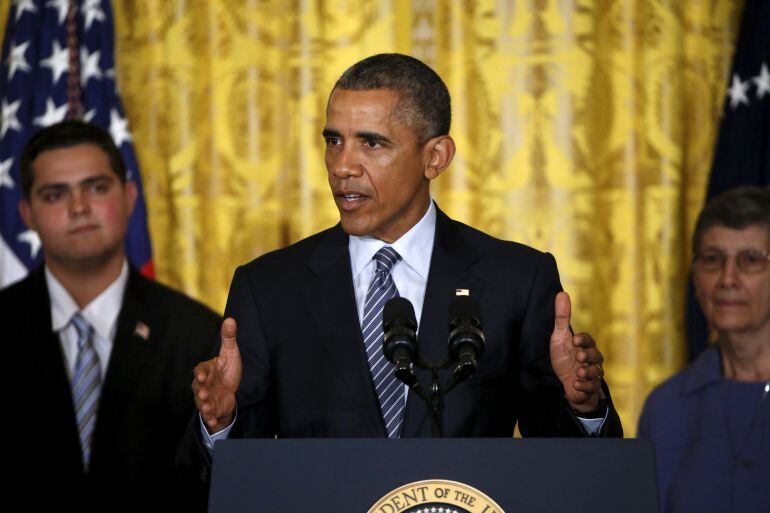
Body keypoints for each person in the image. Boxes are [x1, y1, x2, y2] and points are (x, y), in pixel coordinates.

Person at [182, 53, 622, 482]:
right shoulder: (268, 289)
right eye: (334, 141)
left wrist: (582, 407)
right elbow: (234, 482)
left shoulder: (516, 282)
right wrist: (220, 425)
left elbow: (572, 475)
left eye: (371, 143)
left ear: (435, 157)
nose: (342, 167)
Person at [4, 120, 221, 513]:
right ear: (26, 214)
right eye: (55, 194)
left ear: (129, 196)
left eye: (96, 187)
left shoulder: (197, 336)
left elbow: (212, 484)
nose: (79, 207)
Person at [638, 186, 770, 513]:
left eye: (750, 260)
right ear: (695, 277)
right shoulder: (666, 406)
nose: (728, 279)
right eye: (712, 260)